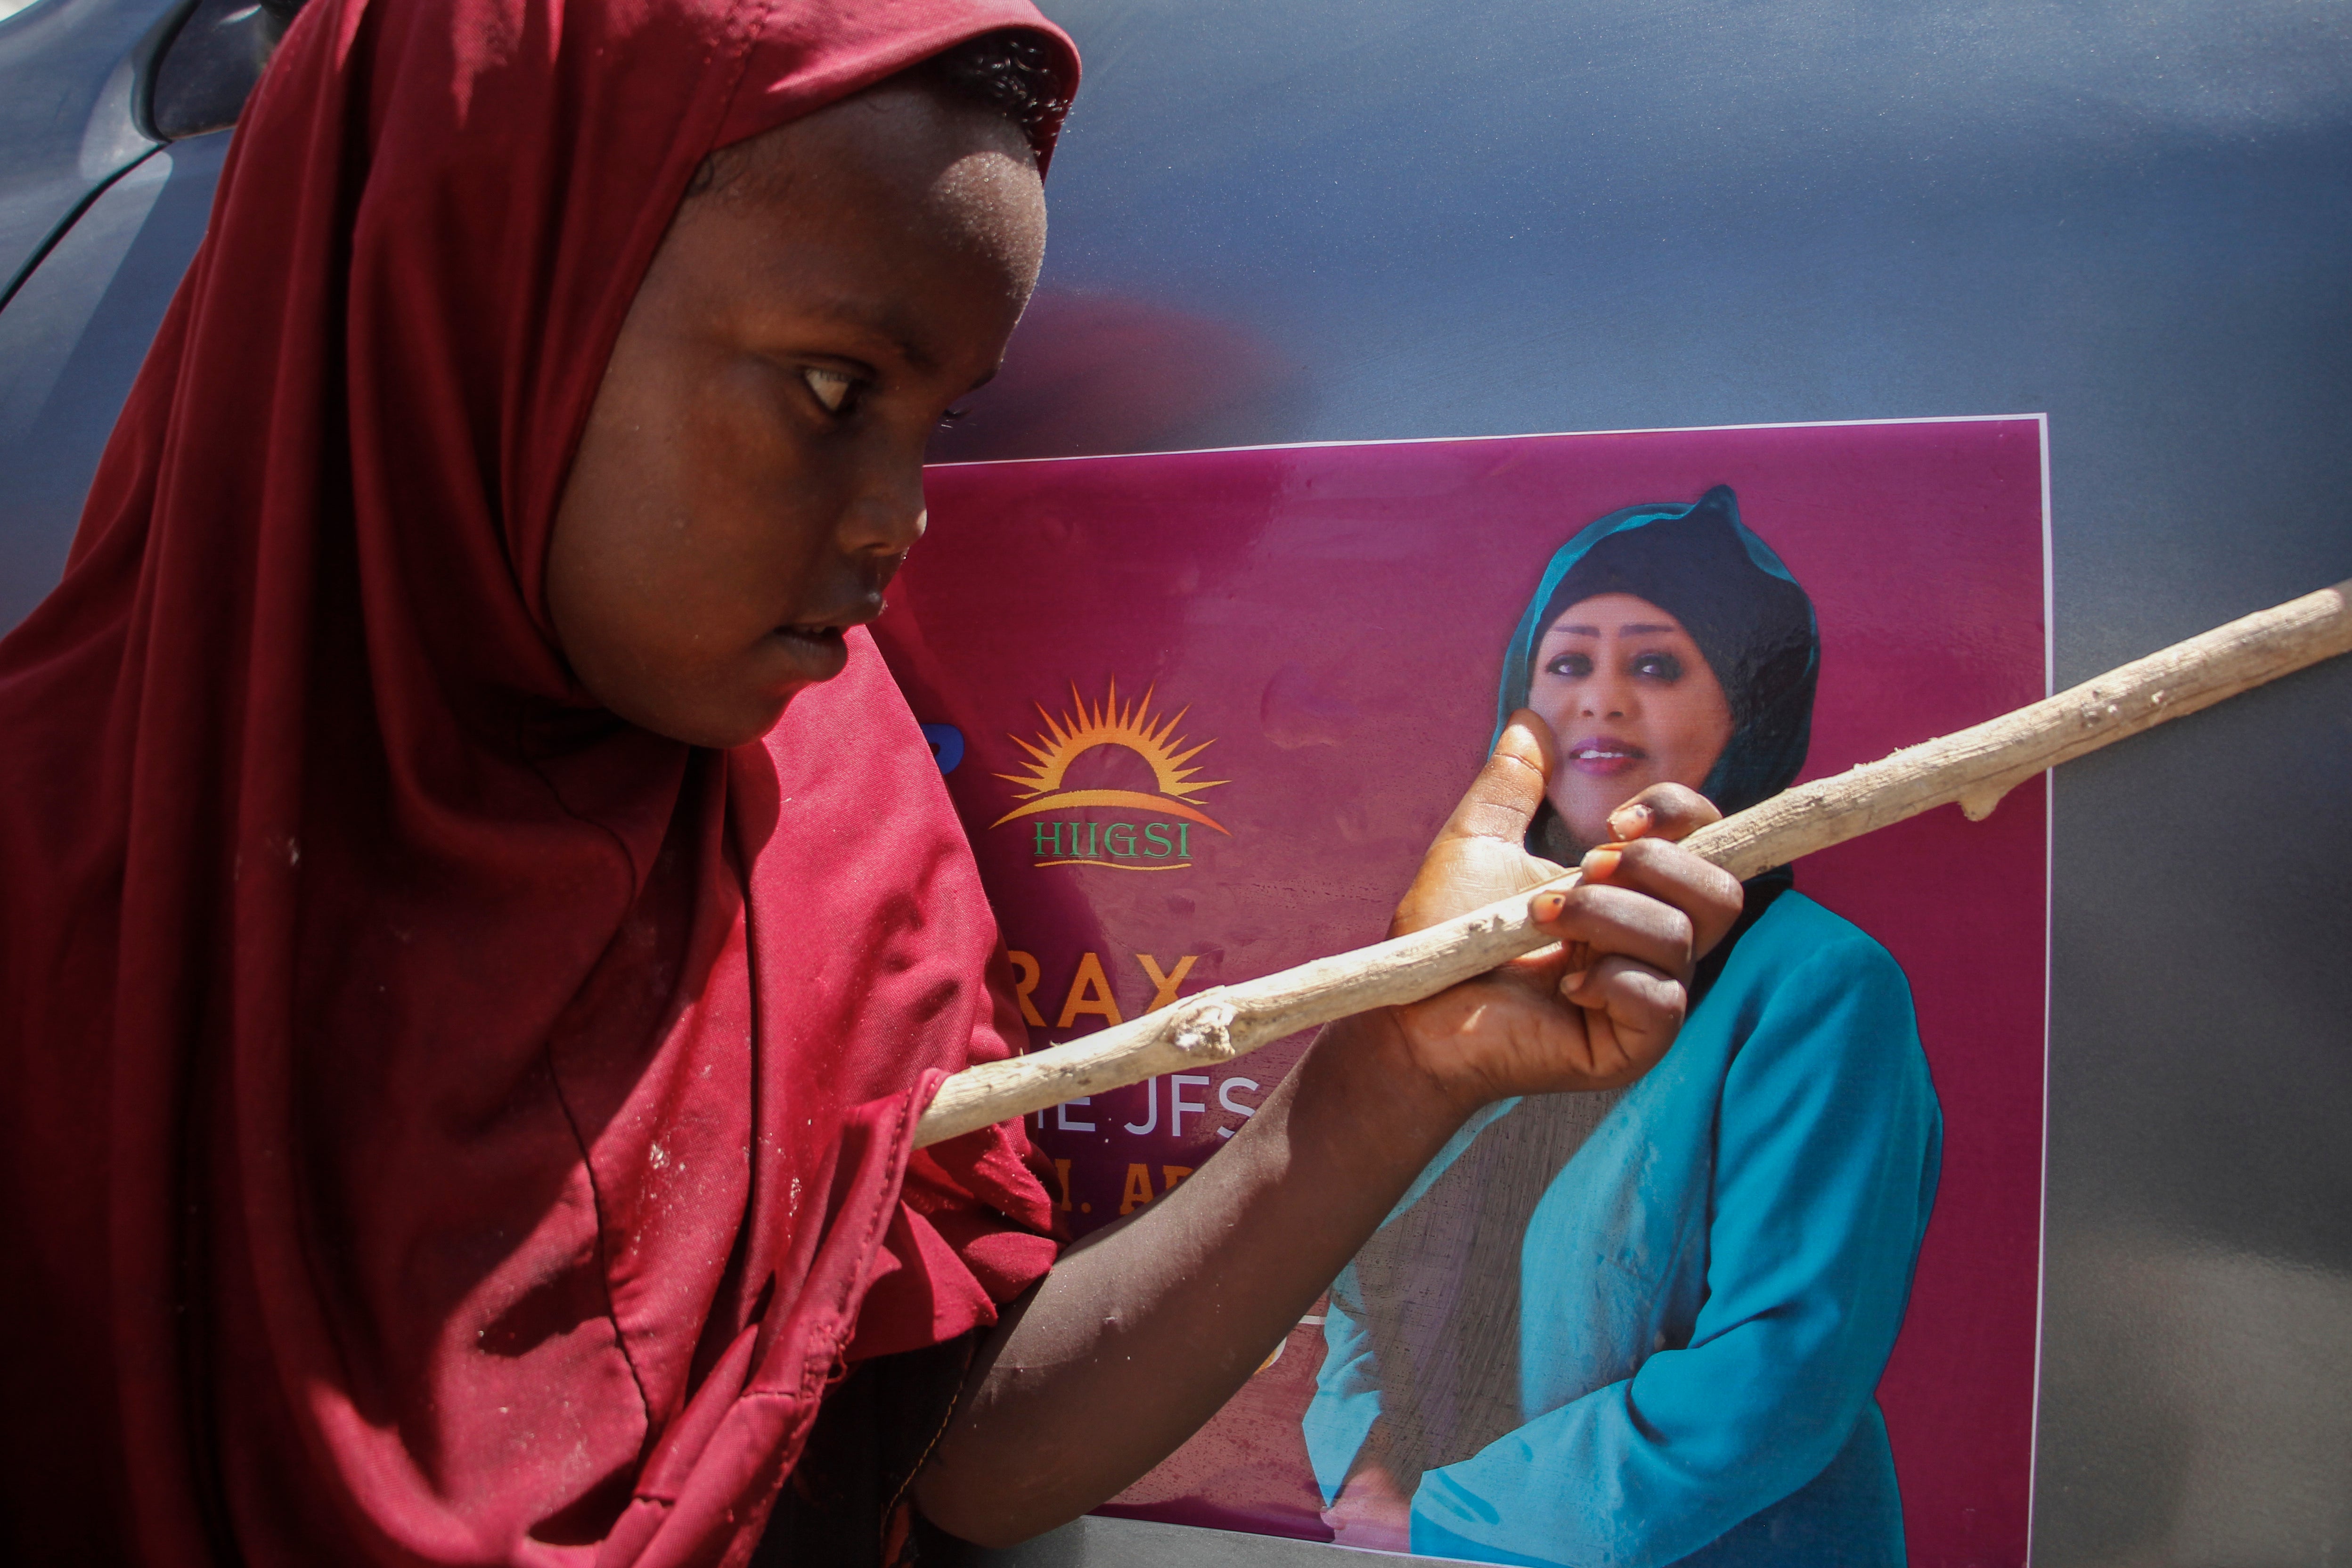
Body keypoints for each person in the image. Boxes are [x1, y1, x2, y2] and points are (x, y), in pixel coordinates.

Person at [0, 2, 1746, 1562]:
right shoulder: (52, 861)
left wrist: (1395, 1072)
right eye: (834, 390)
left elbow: (956, 1446)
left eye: (938, 422)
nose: (892, 522)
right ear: (476, 293)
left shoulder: (831, 837)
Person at [1307, 486, 1945, 1567]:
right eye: (1567, 664)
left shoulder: (1822, 987)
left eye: (1654, 665)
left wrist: (1451, 1514)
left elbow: (1779, 1378)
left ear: (1750, 706)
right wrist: (1368, 1471)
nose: (1601, 701)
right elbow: (1370, 1275)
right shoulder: (1485, 953)